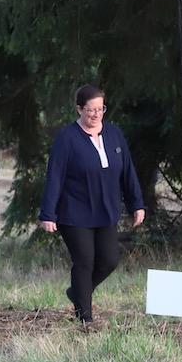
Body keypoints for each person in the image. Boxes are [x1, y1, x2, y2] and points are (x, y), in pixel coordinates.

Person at [39, 84, 145, 324]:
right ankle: (84, 317)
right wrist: (48, 214)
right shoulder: (66, 139)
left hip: (105, 210)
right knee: (85, 261)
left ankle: (78, 292)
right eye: (91, 110)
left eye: (101, 109)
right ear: (79, 109)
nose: (96, 114)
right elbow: (54, 177)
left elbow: (127, 170)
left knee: (109, 261)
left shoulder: (114, 134)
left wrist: (136, 203)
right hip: (74, 212)